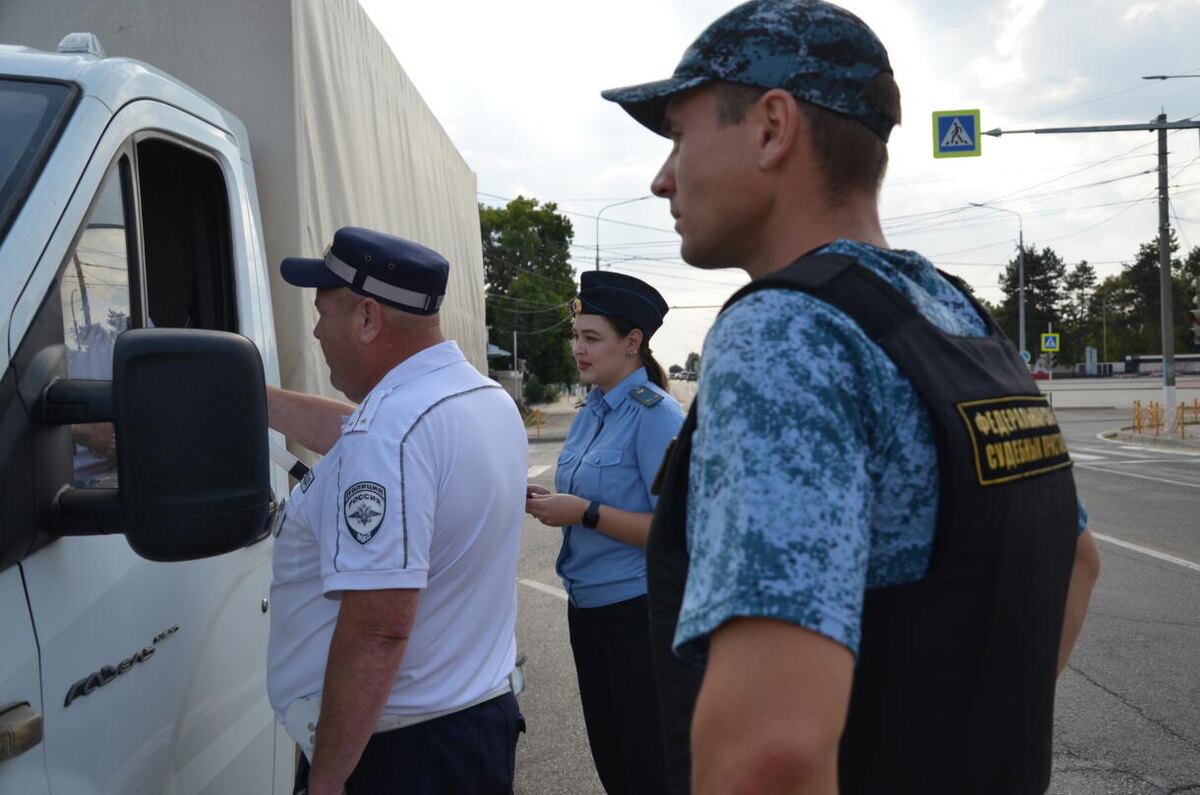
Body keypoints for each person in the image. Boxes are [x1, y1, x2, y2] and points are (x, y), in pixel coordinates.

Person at [600, 2, 1101, 793]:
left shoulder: (789, 332)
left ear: (771, 127)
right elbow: (1076, 559)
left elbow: (769, 755)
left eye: (679, 134)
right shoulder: (958, 316)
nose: (662, 176)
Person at [264, 226, 527, 795]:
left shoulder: (389, 434)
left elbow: (379, 630)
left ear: (367, 318)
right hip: (473, 726)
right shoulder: (480, 400)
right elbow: (361, 434)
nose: (315, 330)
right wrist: (255, 400)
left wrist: (328, 782)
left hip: (400, 755)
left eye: (323, 312)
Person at [524, 270, 683, 794]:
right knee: (613, 762)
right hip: (587, 611)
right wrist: (546, 501)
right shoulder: (592, 409)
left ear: (633, 343)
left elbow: (679, 532)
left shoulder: (655, 416)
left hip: (638, 617)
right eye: (576, 336)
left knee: (648, 769)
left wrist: (585, 512)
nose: (577, 349)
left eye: (592, 338)